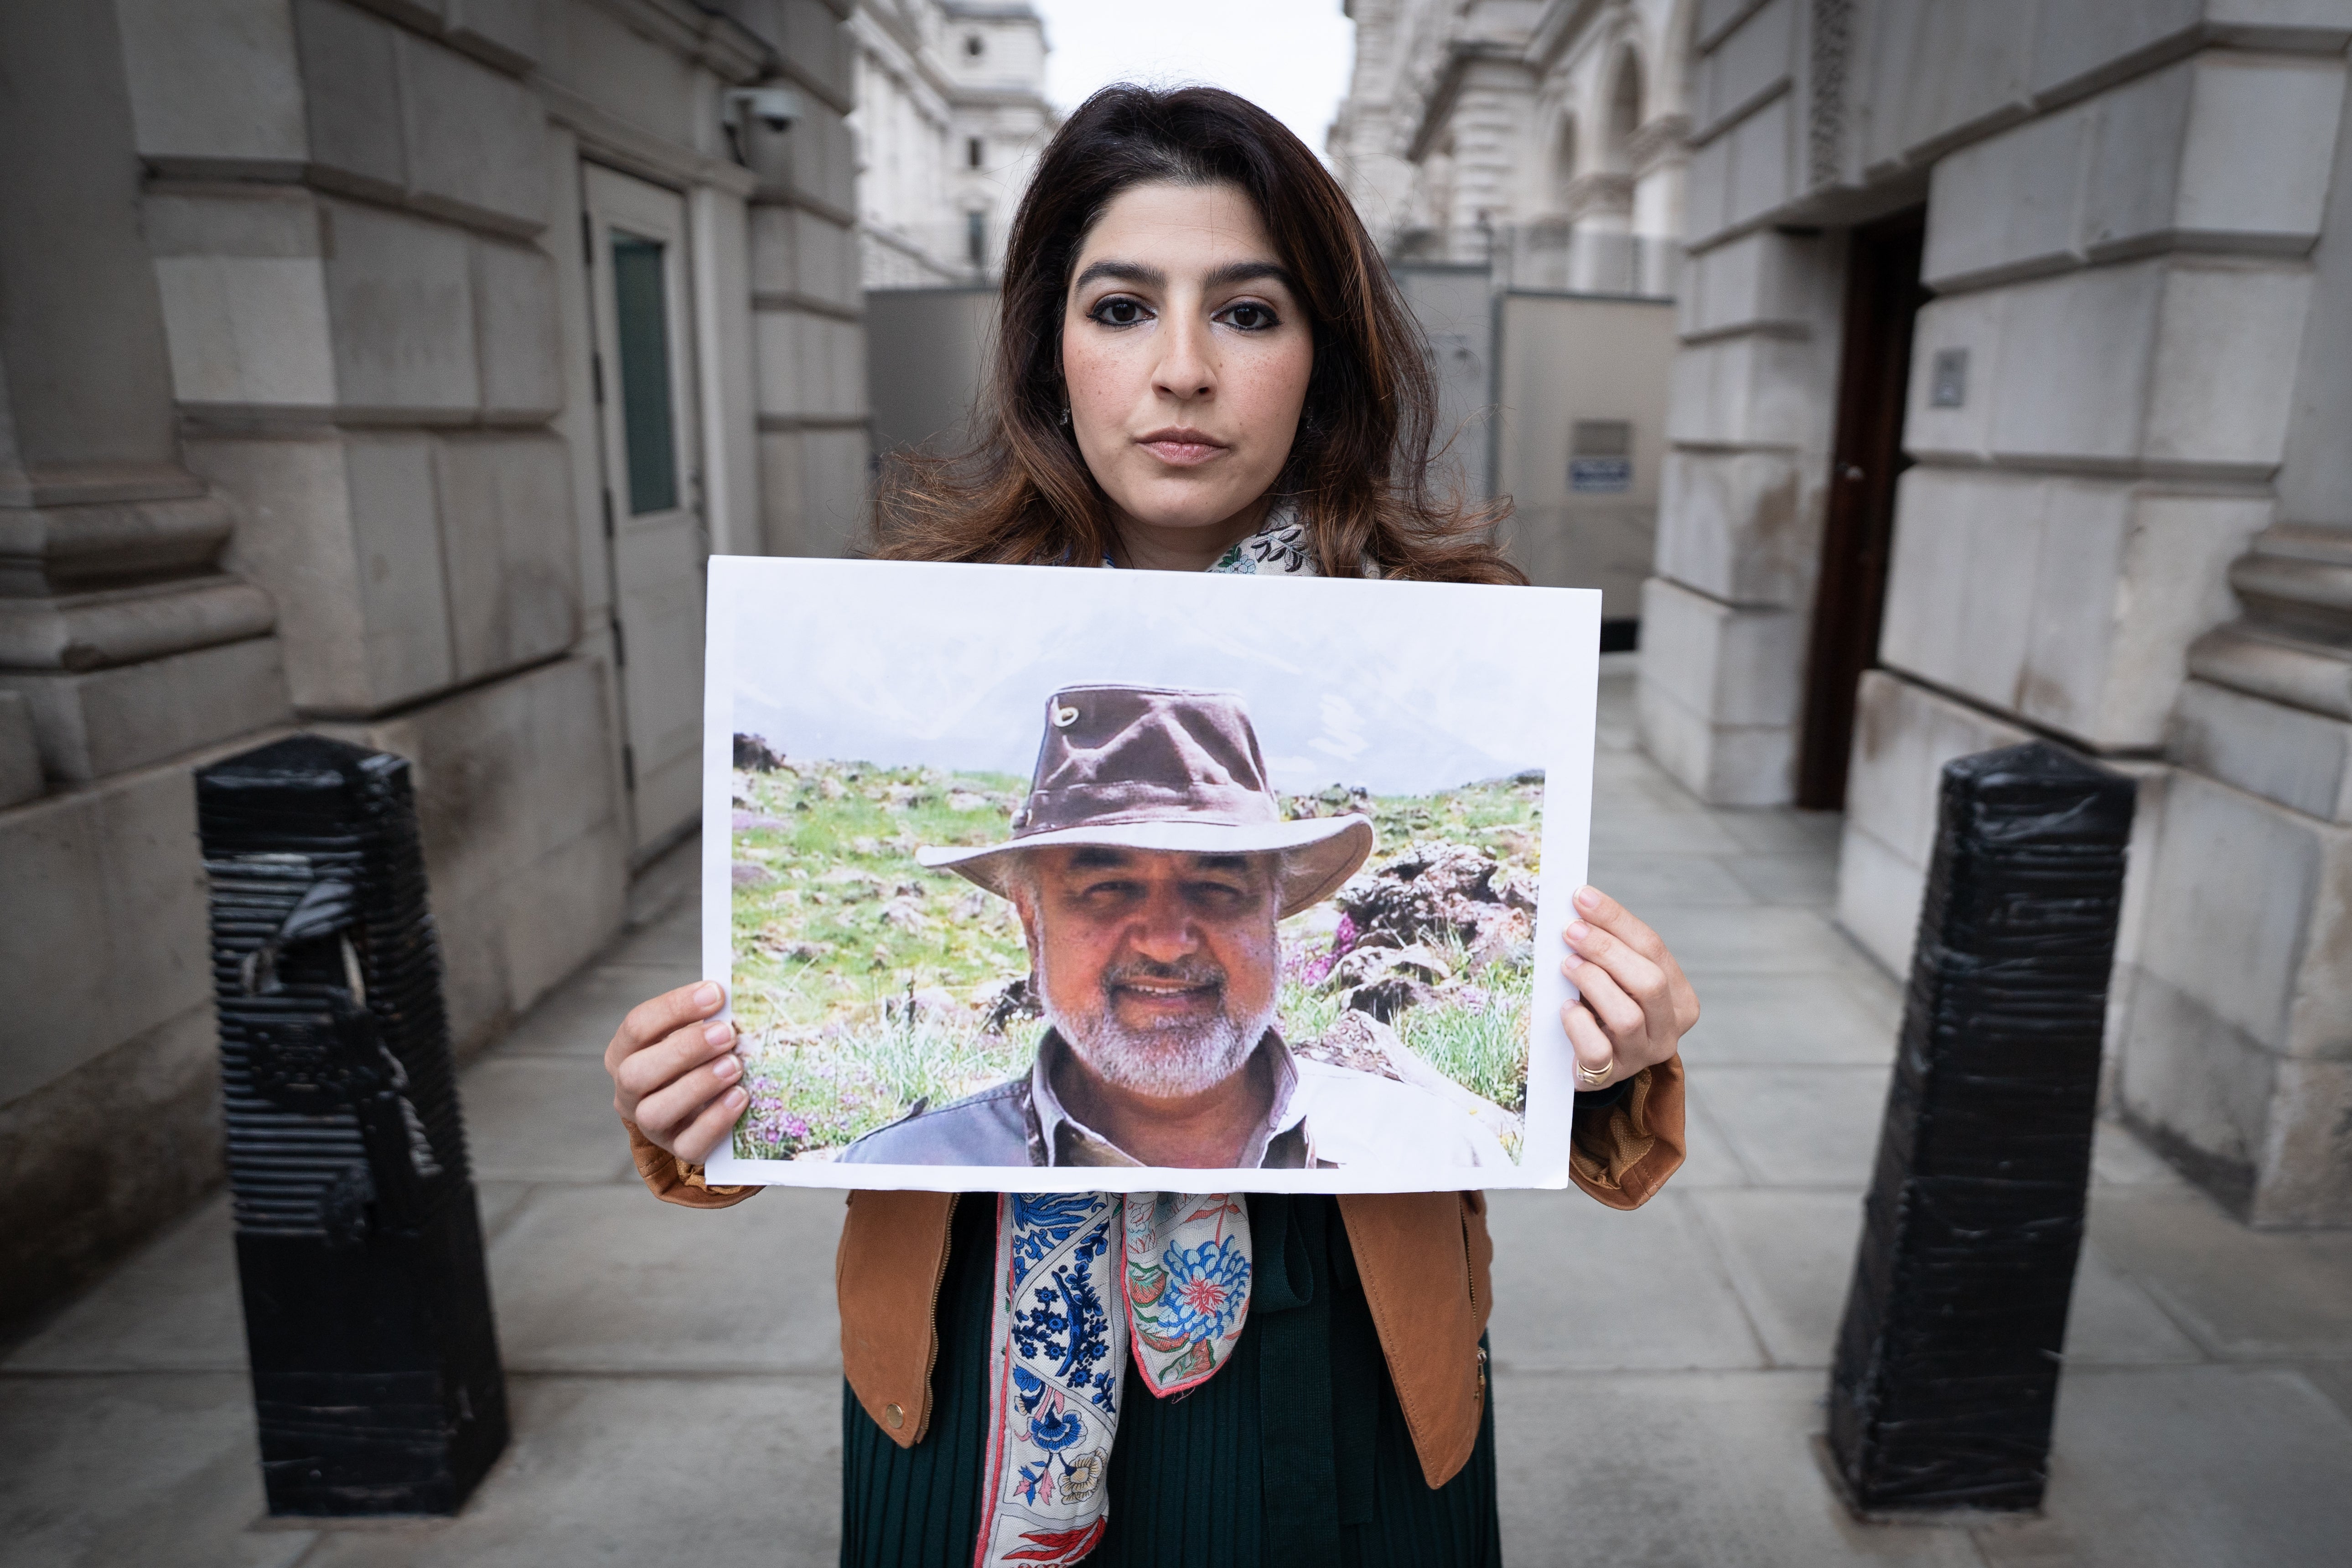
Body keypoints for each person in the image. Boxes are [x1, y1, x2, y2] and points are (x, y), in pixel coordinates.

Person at [606, 85, 1699, 1567]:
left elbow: (1531, 1043)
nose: (1179, 370)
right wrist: (707, 1101)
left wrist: (1615, 1054)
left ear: (1319, 356)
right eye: (1122, 307)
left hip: (1347, 1368)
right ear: (1049, 351)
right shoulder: (911, 632)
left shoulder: (1443, 650)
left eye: (1246, 314)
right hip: (971, 1381)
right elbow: (782, 1088)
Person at [841, 681, 1510, 1170]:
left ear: (1273, 919)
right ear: (1032, 927)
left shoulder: (1433, 1153)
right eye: (1106, 889)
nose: (1165, 941)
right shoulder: (907, 1171)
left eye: (1216, 887)